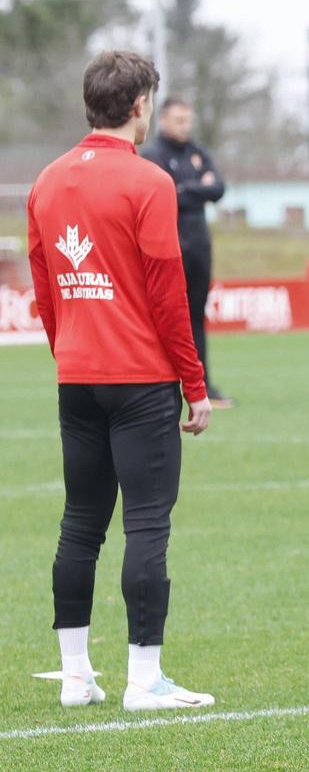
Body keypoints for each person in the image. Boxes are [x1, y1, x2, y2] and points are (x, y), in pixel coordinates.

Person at [26, 50, 215, 711]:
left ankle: (76, 678)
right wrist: (195, 385)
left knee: (79, 524)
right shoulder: (150, 182)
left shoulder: (45, 182)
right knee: (146, 527)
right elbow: (170, 297)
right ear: (140, 106)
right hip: (140, 381)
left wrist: (68, 352)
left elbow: (45, 290)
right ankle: (144, 679)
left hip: (76, 378)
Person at [142, 96, 234, 408]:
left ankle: (202, 384)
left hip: (199, 246)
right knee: (166, 317)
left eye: (188, 120)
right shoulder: (153, 154)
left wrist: (185, 188)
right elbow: (164, 194)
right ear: (164, 120)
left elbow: (218, 188)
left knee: (196, 316)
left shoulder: (197, 151)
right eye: (179, 120)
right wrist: (197, 187)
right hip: (170, 247)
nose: (185, 126)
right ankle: (163, 384)